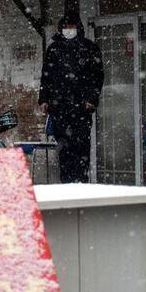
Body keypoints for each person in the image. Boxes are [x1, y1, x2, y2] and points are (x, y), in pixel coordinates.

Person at [38, 14, 104, 183]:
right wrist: (44, 99)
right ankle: (66, 181)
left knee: (81, 146)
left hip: (81, 107)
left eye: (72, 26)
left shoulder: (89, 48)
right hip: (59, 107)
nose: (69, 30)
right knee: (64, 147)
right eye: (66, 27)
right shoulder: (54, 49)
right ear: (61, 29)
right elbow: (46, 76)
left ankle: (81, 180)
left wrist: (91, 99)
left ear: (78, 28)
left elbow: (97, 77)